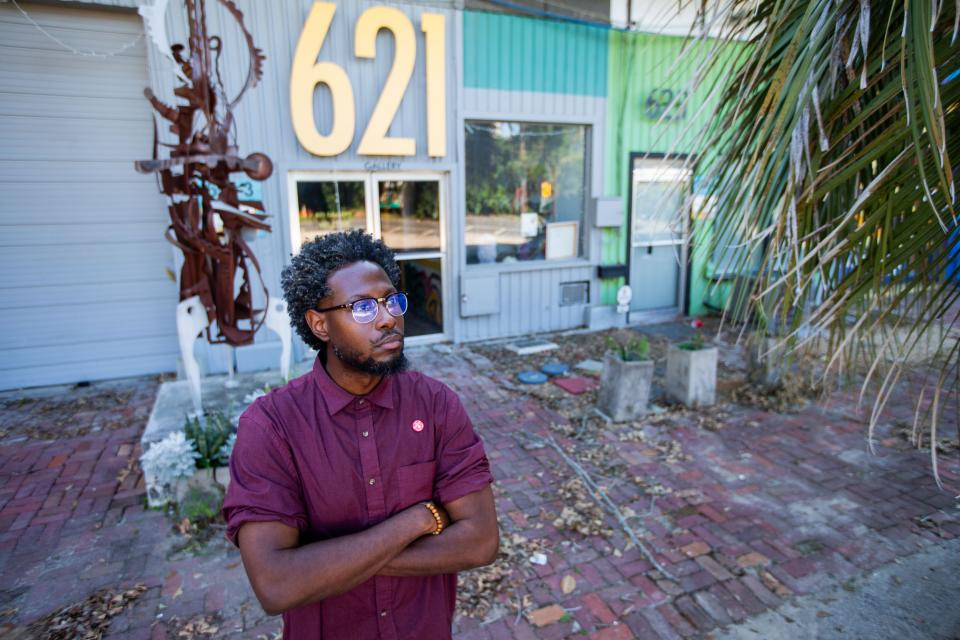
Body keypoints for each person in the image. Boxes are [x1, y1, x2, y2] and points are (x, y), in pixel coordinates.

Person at [222, 230, 499, 639]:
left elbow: (479, 543)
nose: (388, 317)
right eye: (363, 307)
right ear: (320, 324)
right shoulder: (272, 427)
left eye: (391, 300)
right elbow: (277, 584)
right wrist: (416, 521)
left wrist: (327, 561)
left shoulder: (436, 405)